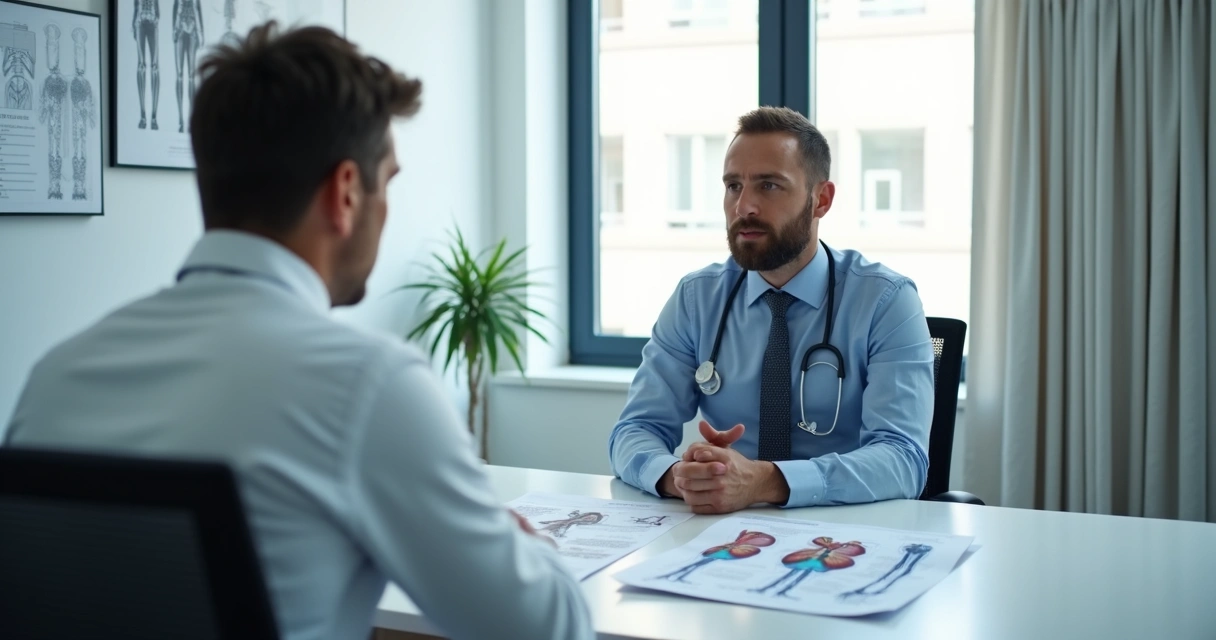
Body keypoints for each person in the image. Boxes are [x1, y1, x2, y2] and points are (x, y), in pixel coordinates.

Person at [5, 23, 592, 640]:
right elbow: (548, 630)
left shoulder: (55, 377)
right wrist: (527, 548)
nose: (387, 209)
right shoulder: (370, 386)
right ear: (346, 193)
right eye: (388, 182)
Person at [608, 106, 934, 515]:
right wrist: (682, 477)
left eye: (769, 185)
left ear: (821, 200)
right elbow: (635, 430)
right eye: (733, 186)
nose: (744, 206)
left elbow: (903, 459)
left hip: (845, 528)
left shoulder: (886, 301)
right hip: (726, 529)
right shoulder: (697, 298)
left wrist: (764, 481)